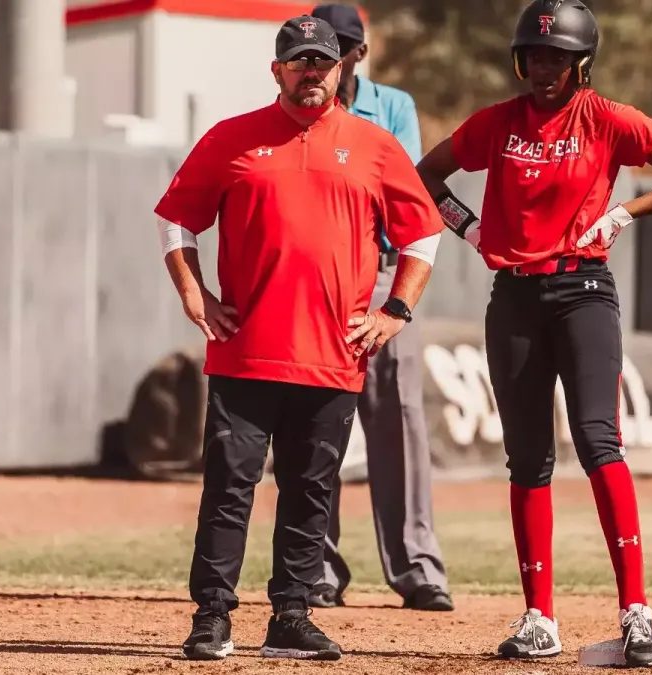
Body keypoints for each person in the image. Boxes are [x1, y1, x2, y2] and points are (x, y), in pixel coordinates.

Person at [415, 0, 652, 667]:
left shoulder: (607, 119)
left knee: (597, 439)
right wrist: (467, 227)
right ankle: (538, 619)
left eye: (559, 57)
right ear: (521, 60)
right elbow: (424, 174)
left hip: (583, 292)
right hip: (513, 299)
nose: (545, 68)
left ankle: (637, 611)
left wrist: (623, 216)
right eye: (536, 56)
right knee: (527, 459)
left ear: (582, 65)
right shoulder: (497, 123)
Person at [155, 14, 445, 662]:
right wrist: (194, 292)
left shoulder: (372, 144)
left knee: (311, 489)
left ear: (341, 69)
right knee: (229, 486)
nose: (312, 71)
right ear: (278, 70)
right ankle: (212, 615)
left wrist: (395, 307)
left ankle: (292, 612)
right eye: (300, 61)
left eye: (323, 61)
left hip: (334, 355)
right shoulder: (233, 138)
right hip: (246, 351)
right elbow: (177, 219)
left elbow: (423, 231)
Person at [306, 2, 454, 613]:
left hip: (384, 270)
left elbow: (405, 191)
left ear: (357, 54)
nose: (323, 56)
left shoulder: (391, 108)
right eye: (313, 47)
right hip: (321, 276)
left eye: (336, 45)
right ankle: (315, 567)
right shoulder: (303, 110)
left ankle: (417, 568)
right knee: (316, 422)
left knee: (399, 419)